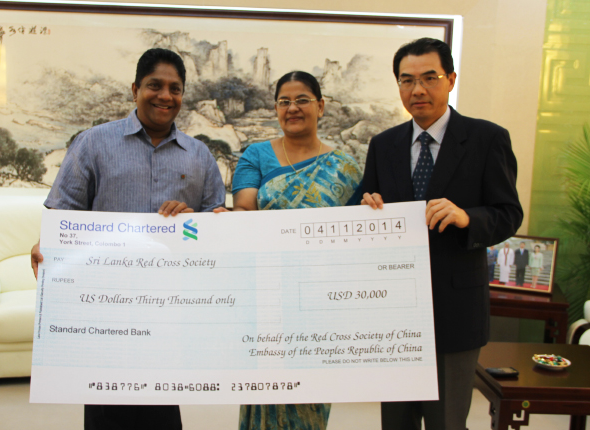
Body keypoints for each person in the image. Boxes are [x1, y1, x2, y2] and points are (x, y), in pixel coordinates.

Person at [31, 48, 226, 430]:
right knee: (106, 408)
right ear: (135, 89)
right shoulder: (93, 143)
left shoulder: (200, 155)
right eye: (155, 85)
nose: (165, 96)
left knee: (163, 410)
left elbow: (216, 229)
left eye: (175, 88)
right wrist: (46, 247)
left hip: (171, 308)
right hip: (106, 306)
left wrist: (195, 224)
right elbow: (62, 215)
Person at [359, 38, 522, 430]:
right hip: (394, 312)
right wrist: (366, 205)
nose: (418, 89)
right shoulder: (383, 145)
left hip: (455, 310)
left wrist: (467, 218)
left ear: (450, 79)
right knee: (395, 422)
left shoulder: (487, 138)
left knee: (446, 423)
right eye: (407, 80)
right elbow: (367, 201)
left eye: (429, 78)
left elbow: (509, 213)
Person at [216, 71, 362, 430]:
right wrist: (228, 223)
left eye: (302, 100)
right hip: (266, 298)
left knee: (310, 404)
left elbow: (355, 239)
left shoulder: (345, 168)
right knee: (263, 398)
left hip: (319, 305)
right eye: (284, 101)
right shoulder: (256, 155)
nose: (292, 108)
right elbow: (245, 210)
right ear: (276, 108)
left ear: (320, 106)